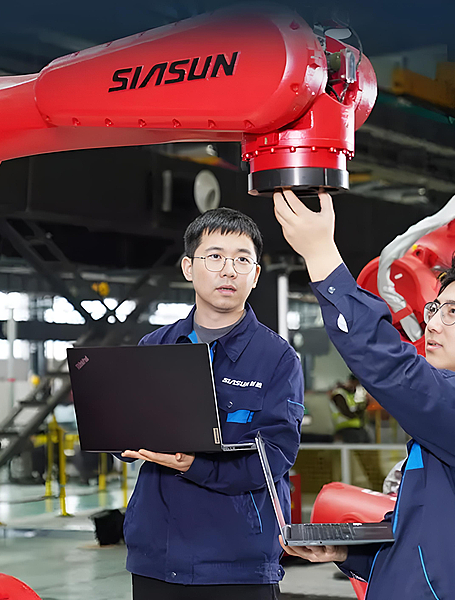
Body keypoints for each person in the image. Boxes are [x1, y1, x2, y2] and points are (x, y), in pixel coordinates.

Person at [273, 189, 455, 600]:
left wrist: (321, 255)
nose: (432, 323)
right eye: (435, 308)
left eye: (454, 312)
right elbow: (432, 540)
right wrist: (349, 551)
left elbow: (392, 368)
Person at [120, 207, 305, 600]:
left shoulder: (277, 359)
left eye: (242, 260)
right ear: (189, 267)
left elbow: (275, 456)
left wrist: (196, 466)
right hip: (156, 555)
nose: (229, 271)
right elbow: (128, 429)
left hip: (237, 559)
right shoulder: (155, 347)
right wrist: (118, 434)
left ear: (256, 274)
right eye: (215, 256)